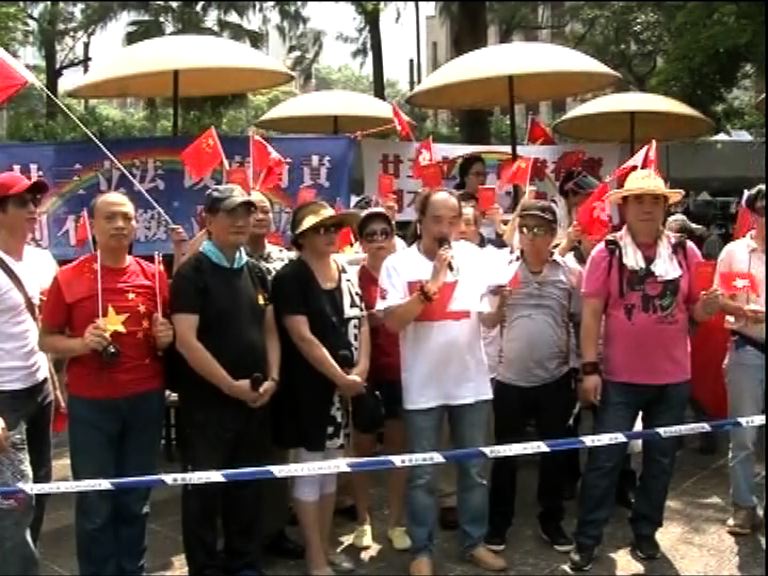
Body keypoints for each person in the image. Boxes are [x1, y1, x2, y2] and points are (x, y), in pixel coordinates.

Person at [568, 169, 722, 572]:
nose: (647, 208)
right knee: (605, 461)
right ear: (624, 206)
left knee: (661, 462)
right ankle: (587, 539)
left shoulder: (686, 252)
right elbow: (591, 315)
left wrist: (708, 307)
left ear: (665, 207)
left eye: (655, 200)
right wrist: (589, 369)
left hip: (673, 379)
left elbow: (695, 311)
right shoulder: (607, 253)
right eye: (639, 200)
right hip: (619, 378)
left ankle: (646, 532)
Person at [40, 191, 174, 576]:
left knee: (136, 498)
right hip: (92, 404)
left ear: (137, 225)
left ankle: (133, 568)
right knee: (95, 502)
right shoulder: (68, 278)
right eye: (110, 218)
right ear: (92, 225)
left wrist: (165, 338)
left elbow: (165, 336)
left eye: (127, 218)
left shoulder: (154, 275)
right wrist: (82, 344)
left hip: (145, 399)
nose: (119, 225)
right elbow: (46, 339)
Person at [376, 189, 507, 576]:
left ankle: (474, 542)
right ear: (420, 221)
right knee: (423, 473)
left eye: (454, 221)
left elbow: (487, 319)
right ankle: (422, 549)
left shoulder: (475, 257)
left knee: (474, 469)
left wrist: (501, 301)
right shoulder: (398, 264)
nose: (446, 229)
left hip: (471, 381)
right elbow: (392, 322)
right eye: (437, 220)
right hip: (423, 385)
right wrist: (432, 283)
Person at [170, 184, 280, 576]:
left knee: (248, 486)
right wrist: (229, 386)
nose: (241, 221)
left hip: (254, 399)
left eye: (246, 213)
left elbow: (269, 329)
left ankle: (244, 562)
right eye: (230, 213)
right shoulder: (192, 273)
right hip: (207, 405)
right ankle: (205, 567)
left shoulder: (256, 271)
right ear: (209, 219)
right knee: (204, 492)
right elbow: (186, 341)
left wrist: (274, 377)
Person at [270, 200, 368, 576]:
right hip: (308, 390)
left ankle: (325, 547)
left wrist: (360, 369)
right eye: (320, 229)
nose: (329, 235)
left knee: (331, 469)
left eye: (333, 228)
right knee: (310, 469)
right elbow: (301, 336)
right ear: (302, 237)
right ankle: (314, 557)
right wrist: (339, 378)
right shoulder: (290, 277)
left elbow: (361, 321)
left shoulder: (344, 270)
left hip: (343, 391)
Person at [482, 200, 581, 554]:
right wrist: (499, 305)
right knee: (505, 455)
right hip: (509, 380)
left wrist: (584, 369)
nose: (531, 237)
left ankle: (551, 520)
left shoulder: (570, 274)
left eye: (539, 230)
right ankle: (498, 524)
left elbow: (581, 321)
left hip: (555, 379)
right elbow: (486, 322)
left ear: (554, 234)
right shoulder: (502, 270)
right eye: (525, 229)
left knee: (554, 454)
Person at [0, 171, 61, 575]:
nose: (33, 209)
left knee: (39, 488)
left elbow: (56, 325)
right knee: (14, 502)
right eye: (23, 202)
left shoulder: (43, 259)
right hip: (4, 399)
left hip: (40, 390)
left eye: (35, 201)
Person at [350, 208, 411, 552]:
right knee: (363, 448)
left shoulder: (403, 273)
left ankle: (396, 522)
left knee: (398, 449)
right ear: (361, 242)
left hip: (401, 371)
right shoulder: (352, 278)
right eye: (370, 235)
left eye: (384, 233)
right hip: (366, 374)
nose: (378, 241)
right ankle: (363, 520)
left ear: (393, 238)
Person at [715, 183, 765, 536]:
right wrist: (742, 310)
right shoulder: (736, 253)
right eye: (763, 210)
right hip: (747, 348)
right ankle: (744, 506)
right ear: (753, 212)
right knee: (743, 435)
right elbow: (722, 297)